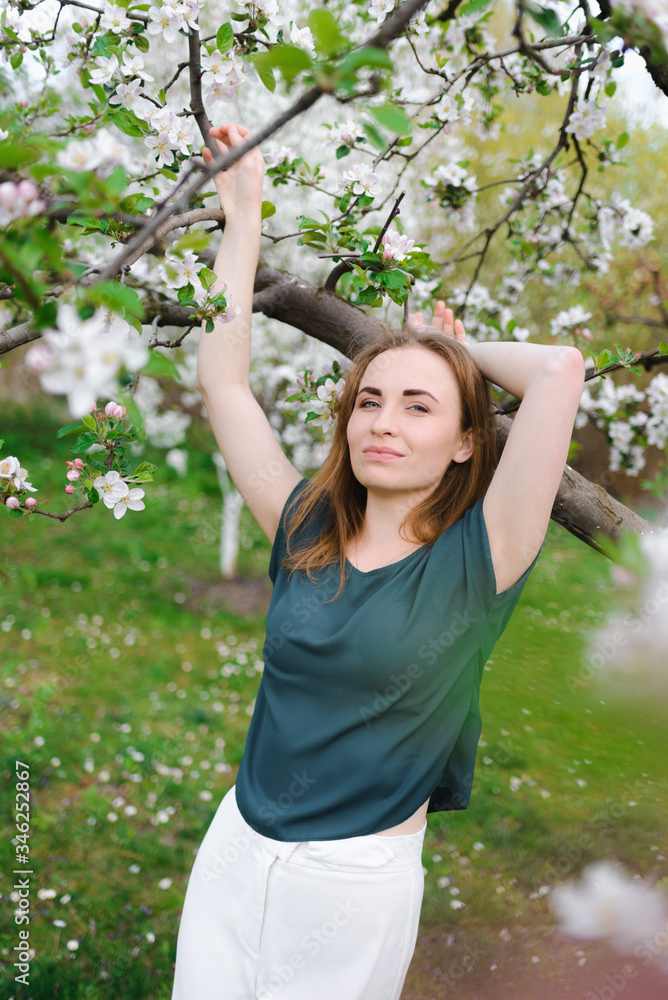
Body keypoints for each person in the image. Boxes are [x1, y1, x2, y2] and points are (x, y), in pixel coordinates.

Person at [170, 122, 586, 1000]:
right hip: (236, 849)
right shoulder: (303, 527)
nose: (384, 422)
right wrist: (243, 220)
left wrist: (450, 353)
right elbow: (226, 384)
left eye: (418, 406)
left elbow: (557, 371)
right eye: (369, 401)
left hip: (351, 888)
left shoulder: (486, 558)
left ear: (468, 441)